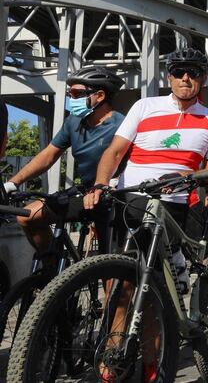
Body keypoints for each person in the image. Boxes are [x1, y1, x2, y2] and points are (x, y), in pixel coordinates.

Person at [83, 47, 208, 382]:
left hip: (172, 202)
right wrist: (101, 185)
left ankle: (153, 366)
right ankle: (113, 362)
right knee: (122, 286)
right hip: (130, 198)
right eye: (178, 71)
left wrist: (197, 177)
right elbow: (115, 151)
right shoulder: (144, 106)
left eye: (192, 71)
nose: (185, 77)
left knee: (152, 290)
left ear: (203, 77)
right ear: (168, 76)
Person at [3, 66, 125, 258]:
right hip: (84, 193)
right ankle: (56, 275)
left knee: (109, 266)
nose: (72, 99)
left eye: (77, 93)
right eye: (70, 93)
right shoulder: (73, 122)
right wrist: (13, 182)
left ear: (100, 96)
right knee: (27, 217)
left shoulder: (121, 125)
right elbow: (49, 155)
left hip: (111, 197)